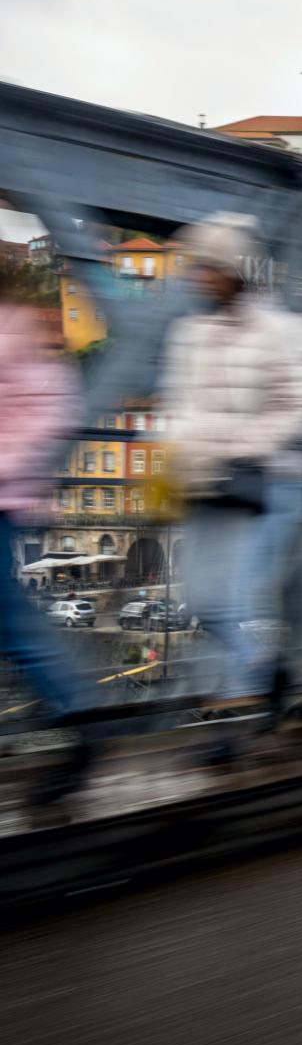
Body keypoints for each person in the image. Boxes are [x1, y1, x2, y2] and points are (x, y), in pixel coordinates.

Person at [159, 213, 302, 752]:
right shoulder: (188, 333)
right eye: (195, 267)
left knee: (237, 597)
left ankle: (236, 713)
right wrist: (178, 454)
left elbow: (296, 409)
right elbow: (178, 404)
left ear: (233, 271)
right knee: (200, 601)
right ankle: (269, 672)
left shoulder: (281, 330)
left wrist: (237, 445)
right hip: (204, 484)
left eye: (209, 267)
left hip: (263, 483)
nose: (198, 277)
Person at [0, 268, 98, 812]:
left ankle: (80, 717)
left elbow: (48, 414)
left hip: (4, 495)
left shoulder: (17, 335)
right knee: (11, 625)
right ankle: (79, 718)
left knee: (13, 625)